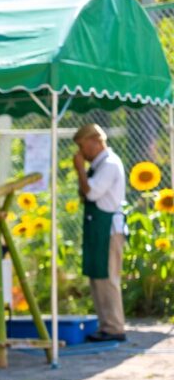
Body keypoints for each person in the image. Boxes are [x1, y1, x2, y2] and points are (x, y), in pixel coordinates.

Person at [73, 123, 127, 342]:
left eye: (82, 146)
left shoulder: (109, 164)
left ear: (95, 141)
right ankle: (105, 325)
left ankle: (114, 326)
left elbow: (92, 193)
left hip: (108, 230)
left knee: (108, 277)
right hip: (97, 227)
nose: (81, 152)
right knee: (97, 277)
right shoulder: (98, 166)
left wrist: (79, 170)